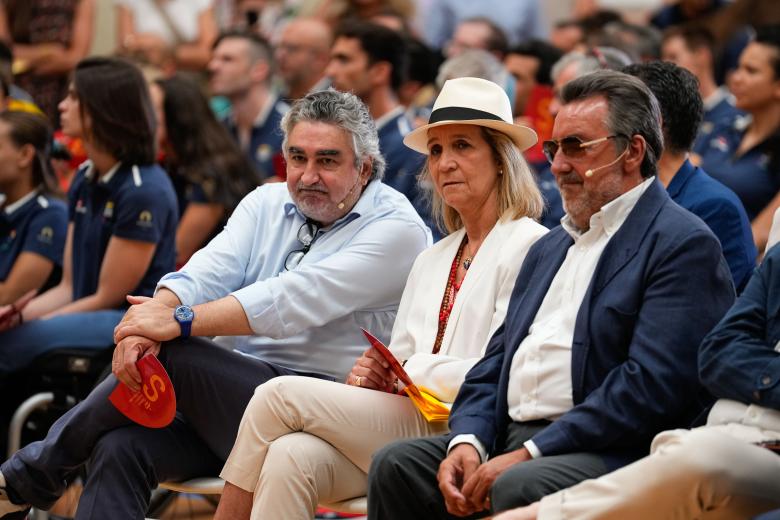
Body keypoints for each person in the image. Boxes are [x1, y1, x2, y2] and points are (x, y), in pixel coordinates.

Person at [0, 88, 430, 519]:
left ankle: (26, 477)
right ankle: (28, 479)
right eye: (297, 158)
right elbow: (203, 272)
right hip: (227, 404)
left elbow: (289, 300)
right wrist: (153, 318)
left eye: (328, 160)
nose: (307, 175)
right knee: (120, 447)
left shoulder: (397, 229)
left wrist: (176, 322)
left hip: (320, 412)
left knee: (177, 353)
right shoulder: (265, 202)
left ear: (365, 167)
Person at [367, 69, 736, 519]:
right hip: (511, 435)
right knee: (398, 464)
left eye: (577, 147)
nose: (559, 165)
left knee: (518, 484)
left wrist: (534, 450)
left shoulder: (680, 242)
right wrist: (469, 441)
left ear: (632, 151)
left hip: (612, 446)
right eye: (554, 148)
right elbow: (493, 367)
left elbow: (651, 388)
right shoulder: (550, 246)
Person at [211, 76, 548, 520]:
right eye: (437, 150)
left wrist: (406, 371)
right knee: (289, 456)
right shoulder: (434, 254)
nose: (445, 163)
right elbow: (402, 356)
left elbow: (504, 370)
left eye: (463, 146)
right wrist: (377, 371)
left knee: (276, 396)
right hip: (409, 414)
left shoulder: (530, 244)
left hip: (469, 425)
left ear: (502, 159)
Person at [499, 244, 780, 520]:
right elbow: (716, 352)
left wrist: (754, 368)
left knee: (700, 458)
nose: (562, 194)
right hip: (717, 430)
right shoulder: (778, 258)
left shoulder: (684, 241)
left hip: (743, 448)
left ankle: (539, 515)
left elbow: (653, 381)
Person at [0, 57, 178, 380]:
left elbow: (107, 296)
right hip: (87, 311)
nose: (62, 106)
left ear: (101, 108)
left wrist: (36, 325)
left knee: (9, 346)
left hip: (127, 320)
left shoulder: (143, 189)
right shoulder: (85, 176)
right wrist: (20, 316)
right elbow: (69, 286)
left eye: (73, 98)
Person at [623, 61, 756, 292]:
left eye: (618, 116)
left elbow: (697, 313)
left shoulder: (713, 207)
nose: (605, 129)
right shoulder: (619, 196)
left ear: (653, 125)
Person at [150, 75, 261, 266]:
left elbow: (177, 252)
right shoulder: (169, 162)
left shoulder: (214, 171)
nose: (142, 115)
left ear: (177, 116)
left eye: (153, 109)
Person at [693, 25, 780, 251]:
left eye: (751, 71)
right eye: (738, 67)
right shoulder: (725, 125)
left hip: (732, 264)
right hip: (686, 243)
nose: (736, 77)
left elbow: (761, 235)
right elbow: (683, 177)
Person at [326, 21, 423, 211]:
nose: (330, 71)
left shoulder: (410, 146)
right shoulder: (339, 135)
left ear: (380, 72)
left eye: (343, 60)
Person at [0, 111, 66, 307]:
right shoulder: (5, 205)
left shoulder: (51, 214)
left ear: (25, 155)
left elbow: (8, 297)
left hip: (26, 327)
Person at [209, 30, 289, 181]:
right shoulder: (218, 129)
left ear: (259, 70)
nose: (213, 66)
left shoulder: (291, 126)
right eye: (214, 58)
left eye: (227, 59)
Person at [0, 0, 95, 125]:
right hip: (14, 84)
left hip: (60, 87)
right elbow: (4, 52)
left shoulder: (82, 2)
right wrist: (48, 52)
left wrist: (29, 60)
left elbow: (76, 58)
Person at [661, 25, 743, 149]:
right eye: (663, 58)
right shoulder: (665, 115)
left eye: (673, 57)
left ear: (702, 55)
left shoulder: (735, 110)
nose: (664, 65)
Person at [115, 0, 218, 72]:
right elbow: (125, 43)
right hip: (146, 74)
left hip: (187, 77)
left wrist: (166, 51)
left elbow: (208, 53)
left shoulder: (199, 2)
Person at [274, 17, 332, 101]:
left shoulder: (334, 106)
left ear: (320, 59)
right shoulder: (277, 94)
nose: (280, 56)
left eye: (292, 49)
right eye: (281, 47)